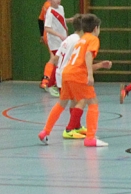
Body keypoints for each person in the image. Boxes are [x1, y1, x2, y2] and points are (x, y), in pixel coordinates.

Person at [39, 14, 109, 147]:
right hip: (78, 75)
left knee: (61, 103)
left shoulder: (80, 40)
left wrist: (98, 66)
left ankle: (45, 132)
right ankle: (90, 138)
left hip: (66, 73)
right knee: (92, 103)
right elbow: (88, 55)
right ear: (96, 28)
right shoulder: (92, 39)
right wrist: (90, 75)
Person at [40, 0, 67, 93]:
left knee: (60, 62)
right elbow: (47, 28)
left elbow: (60, 21)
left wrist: (69, 21)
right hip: (54, 41)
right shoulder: (50, 12)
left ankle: (52, 83)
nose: (58, 0)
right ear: (49, 0)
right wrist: (59, 35)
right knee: (59, 61)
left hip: (63, 40)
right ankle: (51, 84)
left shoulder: (61, 8)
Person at [37, 0, 55, 89]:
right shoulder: (49, 7)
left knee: (57, 57)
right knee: (54, 57)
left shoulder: (46, 5)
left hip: (48, 34)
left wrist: (41, 34)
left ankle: (51, 80)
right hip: (50, 34)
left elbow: (40, 19)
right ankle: (46, 80)